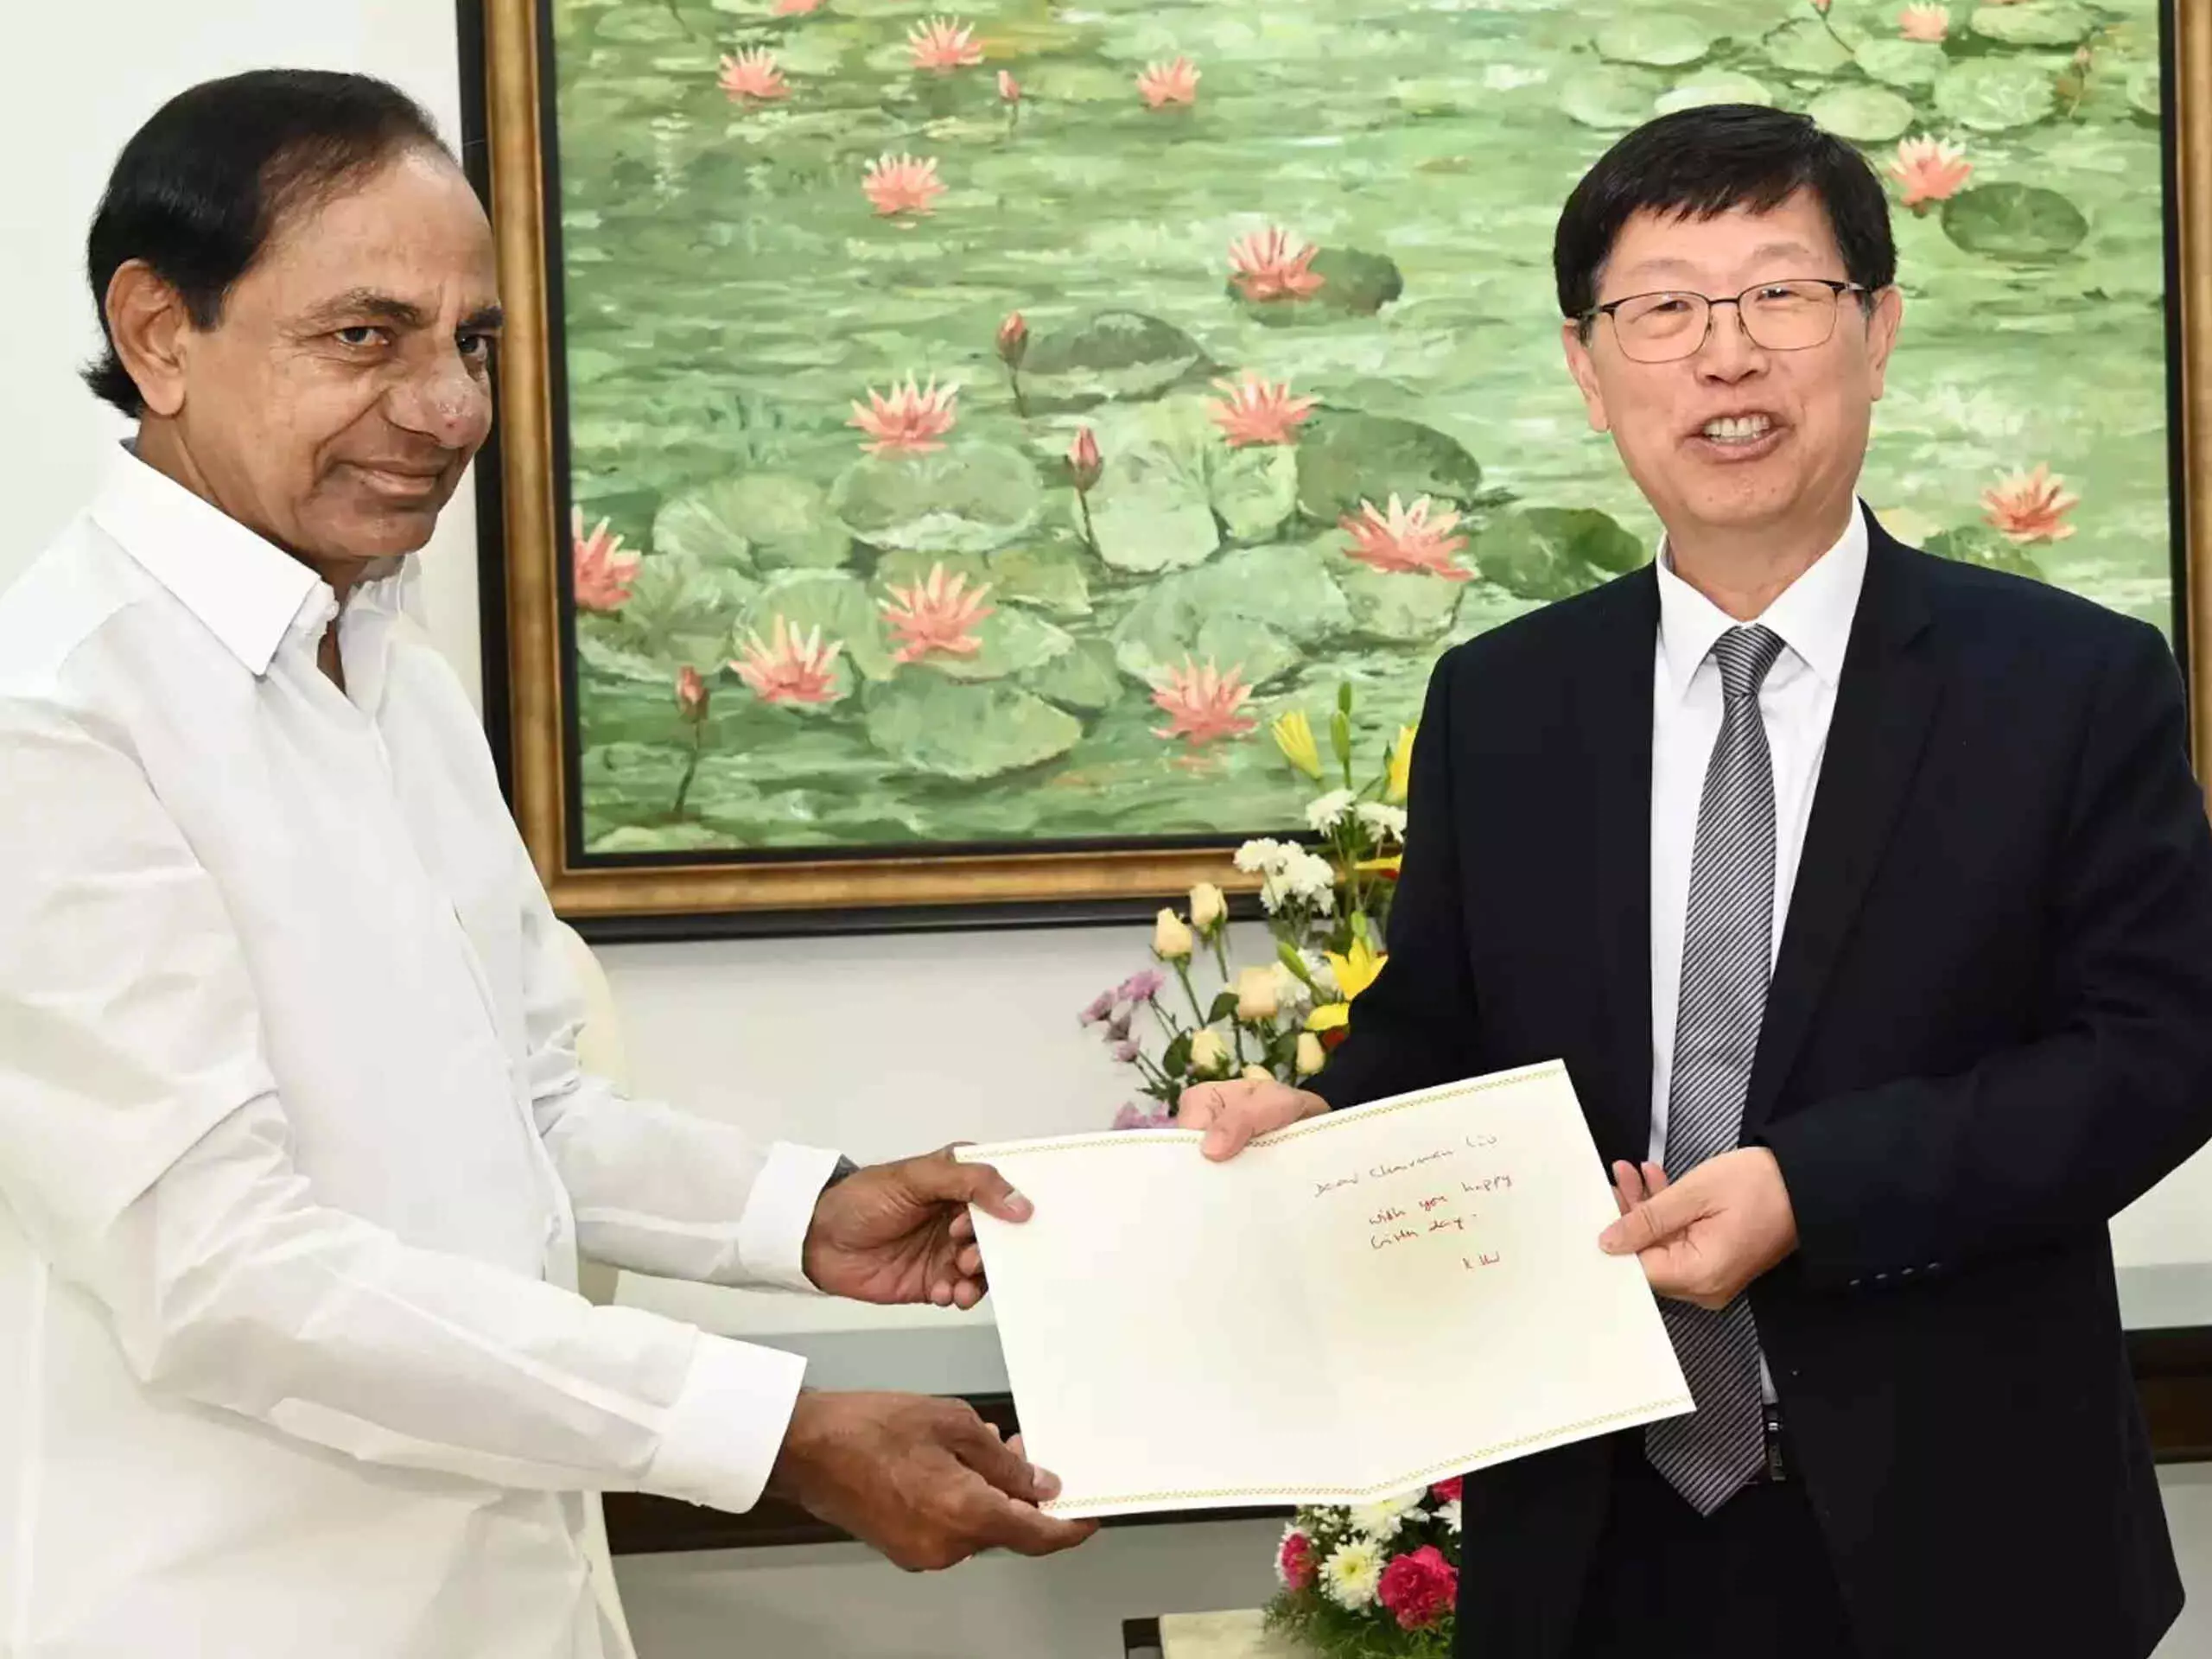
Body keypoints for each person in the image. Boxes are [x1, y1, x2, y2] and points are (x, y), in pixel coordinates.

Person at [0, 70, 1092, 1658]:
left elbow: (524, 1107)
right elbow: (219, 1271)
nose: (451, 409)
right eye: (365, 336)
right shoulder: (50, 719)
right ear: (160, 332)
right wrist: (771, 1430)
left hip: (515, 1601)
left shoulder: (390, 664)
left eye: (473, 342)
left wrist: (808, 1215)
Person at [1182, 104, 2212, 1659]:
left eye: (1781, 295)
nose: (1726, 357)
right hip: (1590, 1536)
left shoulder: (2068, 683)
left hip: (1966, 1531)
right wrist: (1318, 1120)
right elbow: (1436, 1031)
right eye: (1662, 309)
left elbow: (2158, 1053)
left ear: (1877, 331)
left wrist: (1815, 1191)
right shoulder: (1504, 701)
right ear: (1590, 369)